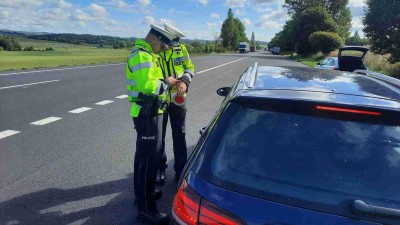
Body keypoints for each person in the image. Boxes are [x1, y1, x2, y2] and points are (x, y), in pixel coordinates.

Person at [126, 24, 177, 225]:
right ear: (154, 38)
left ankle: (142, 196)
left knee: (142, 158)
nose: (164, 50)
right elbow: (149, 86)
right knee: (149, 161)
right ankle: (147, 210)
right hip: (147, 115)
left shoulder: (147, 54)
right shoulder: (142, 55)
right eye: (163, 45)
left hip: (148, 113)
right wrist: (168, 82)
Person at [157, 23, 195, 184]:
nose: (174, 46)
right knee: (159, 136)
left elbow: (190, 67)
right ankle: (160, 168)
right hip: (160, 99)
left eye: (176, 43)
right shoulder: (155, 52)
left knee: (180, 134)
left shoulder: (182, 49)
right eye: (172, 43)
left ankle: (180, 170)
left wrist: (185, 81)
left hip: (178, 98)